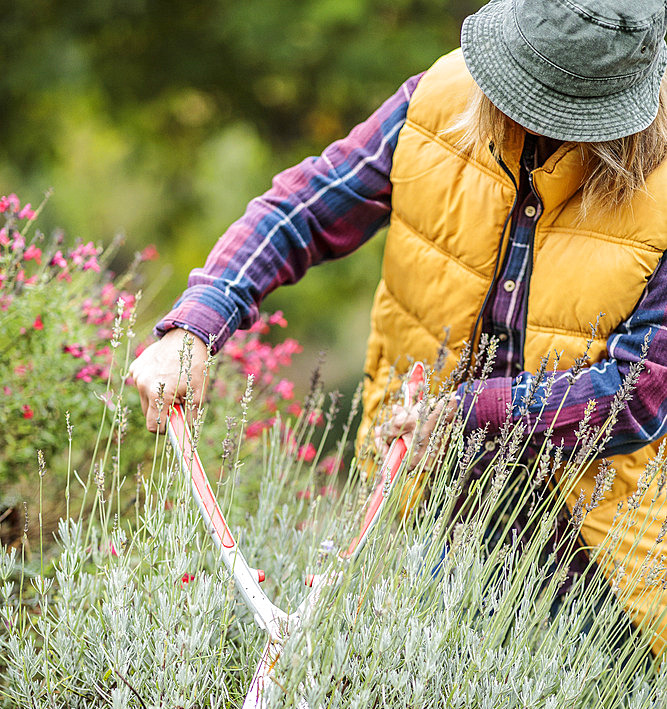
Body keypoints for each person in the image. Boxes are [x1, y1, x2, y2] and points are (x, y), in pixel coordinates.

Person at [130, 0, 667, 659]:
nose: (527, 120)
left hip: (600, 556)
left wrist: (463, 415)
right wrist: (195, 327)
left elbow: (640, 392)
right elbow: (302, 209)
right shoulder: (440, 98)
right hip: (425, 504)